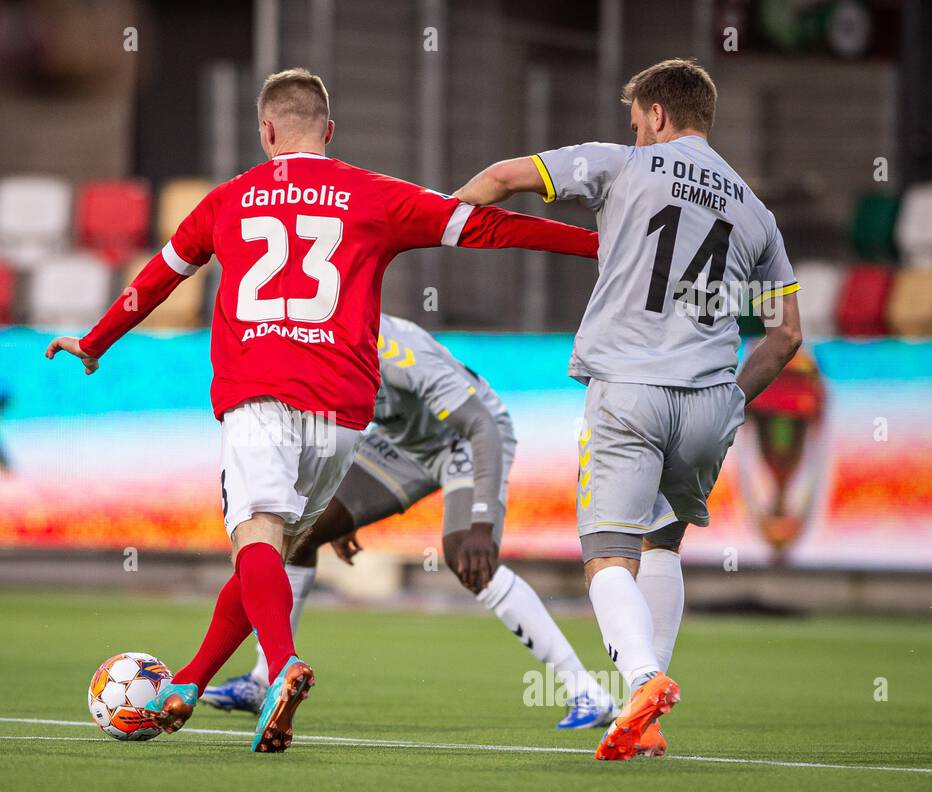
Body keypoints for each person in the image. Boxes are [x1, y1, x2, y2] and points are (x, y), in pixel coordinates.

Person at [47, 67, 598, 753]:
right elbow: (487, 227)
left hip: (260, 398)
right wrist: (600, 246)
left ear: (266, 130)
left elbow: (162, 275)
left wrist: (95, 341)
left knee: (256, 537)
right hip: (342, 419)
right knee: (270, 556)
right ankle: (189, 679)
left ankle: (281, 667)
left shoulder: (227, 200)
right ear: (329, 132)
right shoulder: (374, 195)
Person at [453, 58, 802, 760]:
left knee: (608, 555)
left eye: (635, 119)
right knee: (662, 544)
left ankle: (641, 678)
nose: (634, 131)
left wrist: (435, 218)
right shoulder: (754, 210)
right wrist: (732, 397)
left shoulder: (618, 164)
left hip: (629, 391)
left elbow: (500, 179)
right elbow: (787, 332)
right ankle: (647, 709)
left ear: (657, 115)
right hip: (708, 403)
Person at [205, 314, 618, 730]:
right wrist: (337, 501)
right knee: (306, 532)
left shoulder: (401, 350)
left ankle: (587, 691)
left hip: (465, 439)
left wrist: (481, 522)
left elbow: (482, 425)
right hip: (401, 445)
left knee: (468, 558)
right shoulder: (319, 345)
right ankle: (266, 680)